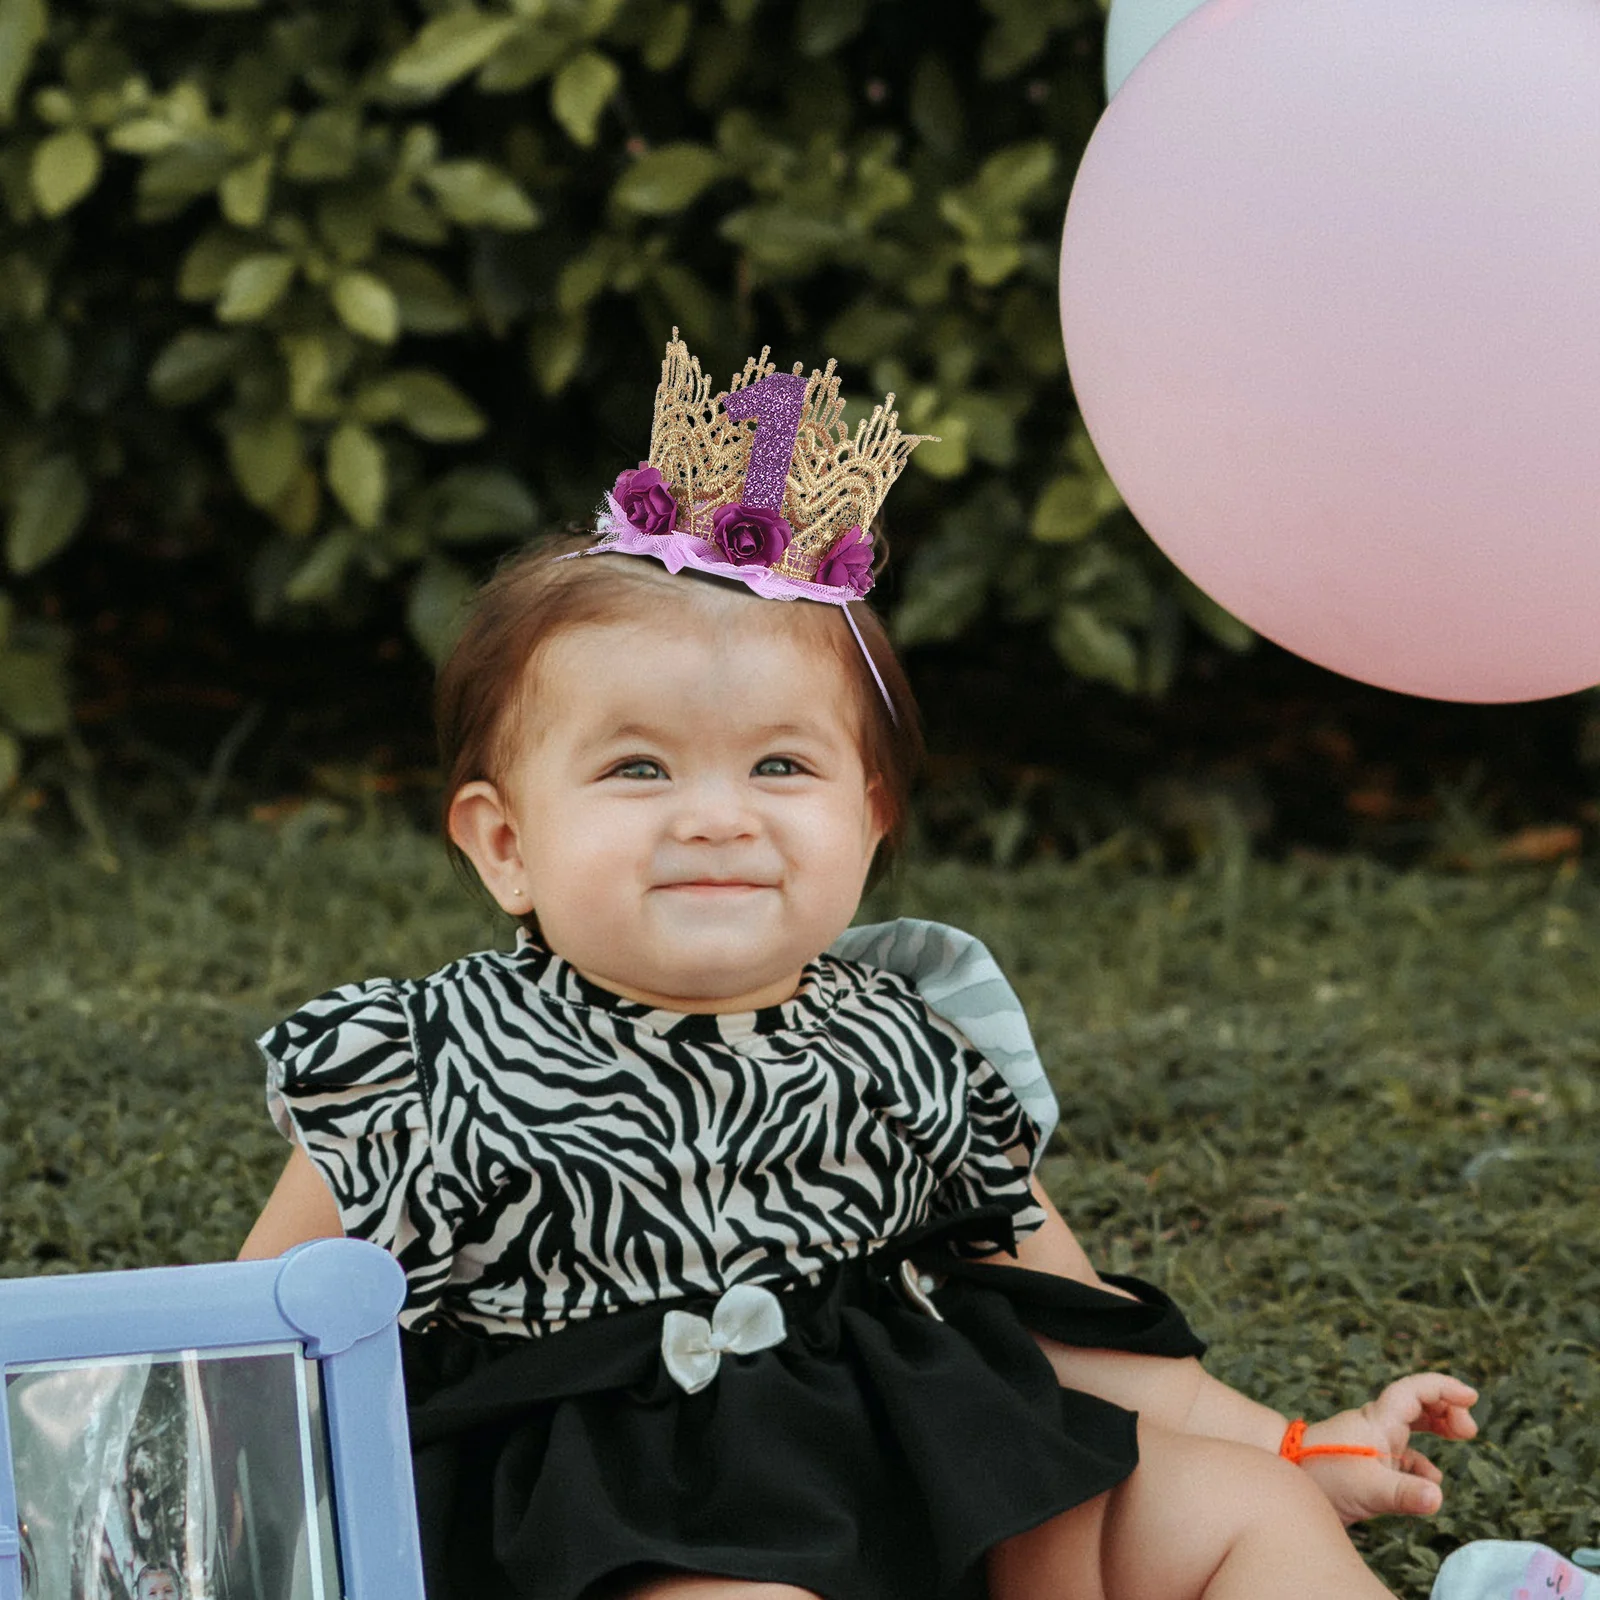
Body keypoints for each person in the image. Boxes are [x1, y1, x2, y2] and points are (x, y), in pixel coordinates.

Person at [240, 335, 1479, 1600]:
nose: (718, 816)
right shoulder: (427, 1065)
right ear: (505, 844)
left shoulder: (903, 1042)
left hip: (929, 1486)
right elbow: (247, 1344)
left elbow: (1064, 1311)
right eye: (637, 768)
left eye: (780, 766)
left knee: (1238, 1514)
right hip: (620, 1534)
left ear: (872, 819)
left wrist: (1279, 1442)